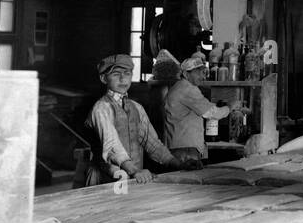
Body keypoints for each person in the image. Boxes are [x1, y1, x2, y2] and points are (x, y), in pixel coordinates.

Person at [81, 53, 190, 187]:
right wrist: (135, 171)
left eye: (127, 73)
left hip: (133, 178)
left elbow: (152, 143)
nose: (122, 79)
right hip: (105, 180)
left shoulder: (136, 108)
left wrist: (178, 164)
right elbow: (111, 146)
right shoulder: (101, 108)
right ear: (104, 78)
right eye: (116, 74)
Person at [163, 53, 232, 166]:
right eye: (197, 72)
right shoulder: (188, 89)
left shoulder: (178, 87)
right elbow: (213, 113)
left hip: (178, 148)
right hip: (185, 151)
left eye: (203, 72)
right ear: (186, 74)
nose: (202, 76)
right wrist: (230, 108)